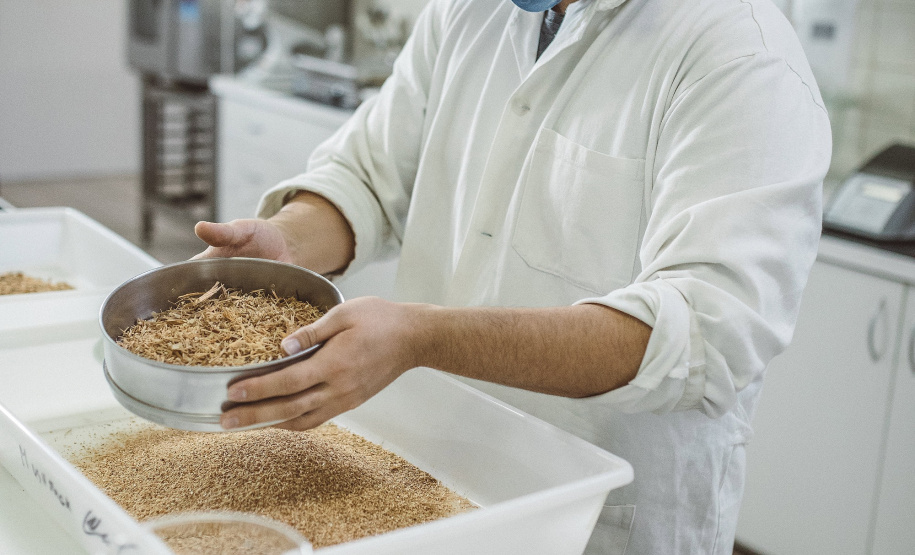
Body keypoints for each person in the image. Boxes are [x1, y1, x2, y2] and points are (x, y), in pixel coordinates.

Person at [194, 0, 832, 552]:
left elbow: (701, 336)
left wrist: (423, 337)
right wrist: (286, 242)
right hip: (438, 476)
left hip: (604, 512)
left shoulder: (741, 56)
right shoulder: (470, 13)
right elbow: (367, 173)